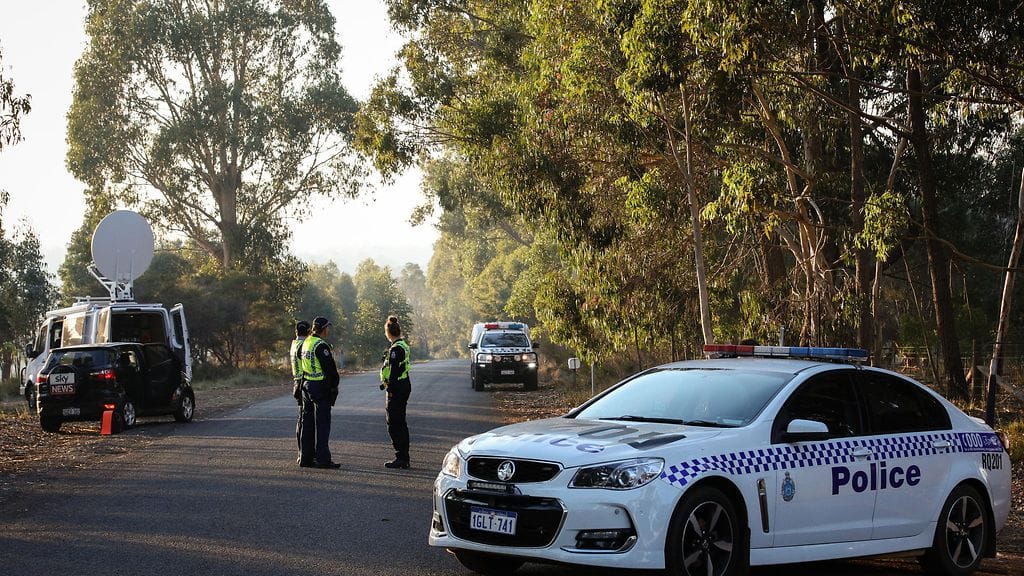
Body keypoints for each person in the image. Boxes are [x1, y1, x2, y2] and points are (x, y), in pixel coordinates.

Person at [299, 316, 341, 469]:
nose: (328, 330)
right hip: (319, 387)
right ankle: (323, 459)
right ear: (323, 329)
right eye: (327, 327)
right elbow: (330, 370)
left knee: (307, 424)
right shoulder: (321, 346)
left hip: (306, 385)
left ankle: (306, 458)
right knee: (322, 424)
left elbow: (300, 360)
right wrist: (334, 386)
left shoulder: (306, 343)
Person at [379, 315, 412, 469]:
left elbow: (393, 371)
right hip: (403, 384)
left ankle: (401, 457)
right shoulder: (402, 345)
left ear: (388, 332)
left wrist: (390, 388)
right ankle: (403, 456)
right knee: (399, 421)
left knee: (394, 422)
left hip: (397, 387)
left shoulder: (396, 349)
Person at [289, 319, 311, 465]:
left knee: (301, 420)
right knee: (306, 421)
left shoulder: (294, 344)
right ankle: (305, 455)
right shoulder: (304, 345)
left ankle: (301, 453)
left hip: (296, 382)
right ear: (309, 331)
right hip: (304, 382)